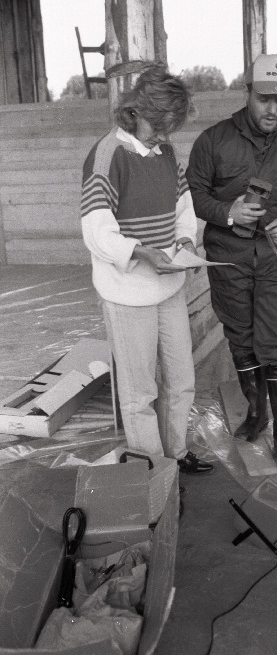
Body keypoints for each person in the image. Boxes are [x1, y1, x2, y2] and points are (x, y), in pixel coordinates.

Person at [186, 54, 277, 460]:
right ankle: (257, 413)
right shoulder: (213, 140)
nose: (272, 109)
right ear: (247, 92)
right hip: (229, 256)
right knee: (241, 335)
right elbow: (193, 194)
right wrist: (226, 212)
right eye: (265, 98)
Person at [81, 63, 214, 477]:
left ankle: (175, 453)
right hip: (127, 291)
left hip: (167, 284)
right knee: (140, 392)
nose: (162, 136)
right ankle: (154, 470)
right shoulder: (107, 156)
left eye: (168, 129)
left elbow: (183, 207)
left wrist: (187, 241)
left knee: (181, 378)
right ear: (133, 112)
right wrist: (142, 253)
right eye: (156, 126)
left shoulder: (167, 152)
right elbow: (96, 232)